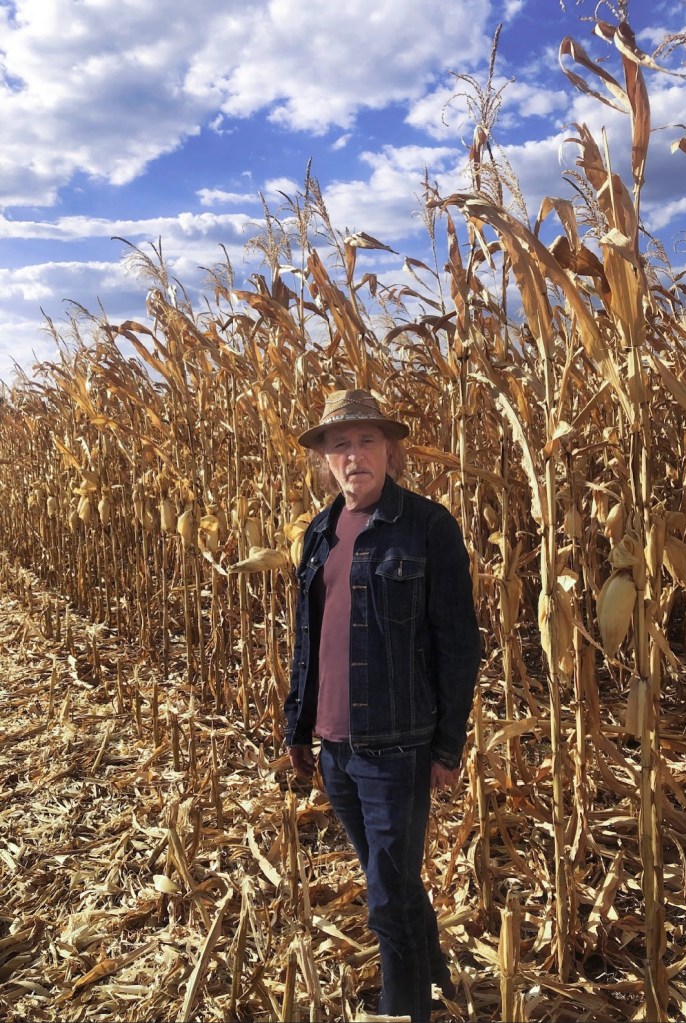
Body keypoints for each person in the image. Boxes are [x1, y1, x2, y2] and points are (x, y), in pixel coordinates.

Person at [284, 388, 481, 1022]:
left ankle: (405, 1010)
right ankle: (437, 977)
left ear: (390, 451)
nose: (354, 455)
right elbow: (309, 640)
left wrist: (448, 746)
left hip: (396, 746)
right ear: (325, 459)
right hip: (335, 747)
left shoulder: (427, 527)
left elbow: (459, 644)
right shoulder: (319, 532)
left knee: (387, 899)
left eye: (366, 440)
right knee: (391, 880)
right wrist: (299, 728)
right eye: (339, 444)